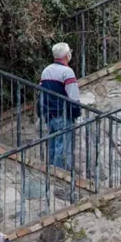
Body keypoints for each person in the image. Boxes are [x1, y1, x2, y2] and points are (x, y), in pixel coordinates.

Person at [38, 42, 82, 172]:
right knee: (63, 146)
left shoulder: (46, 71)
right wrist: (76, 114)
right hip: (63, 114)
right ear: (66, 55)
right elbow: (73, 96)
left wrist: (43, 113)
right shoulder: (67, 72)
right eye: (70, 52)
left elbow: (41, 93)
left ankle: (51, 171)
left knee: (52, 144)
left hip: (49, 114)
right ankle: (60, 174)